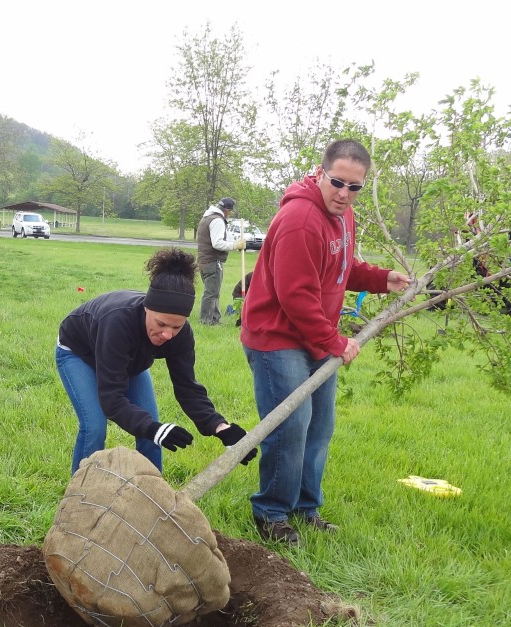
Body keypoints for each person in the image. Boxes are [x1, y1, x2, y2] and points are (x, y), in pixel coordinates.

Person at [240, 139, 411, 544]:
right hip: (276, 337)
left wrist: (380, 279)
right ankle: (271, 513)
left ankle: (304, 507)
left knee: (319, 427)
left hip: (314, 336)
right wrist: (335, 340)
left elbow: (342, 267)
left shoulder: (343, 216)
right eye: (337, 182)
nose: (344, 193)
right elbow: (295, 296)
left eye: (354, 187)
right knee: (292, 425)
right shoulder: (300, 219)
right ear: (320, 173)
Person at [56, 247, 256, 474]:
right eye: (161, 324)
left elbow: (187, 388)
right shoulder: (117, 321)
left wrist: (221, 427)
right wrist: (152, 428)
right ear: (146, 309)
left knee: (151, 429)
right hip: (78, 352)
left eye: (176, 326)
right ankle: (79, 499)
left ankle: (153, 498)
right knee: (95, 427)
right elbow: (111, 399)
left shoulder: (182, 335)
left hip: (130, 360)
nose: (168, 334)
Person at [196, 197, 246, 326]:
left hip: (204, 260)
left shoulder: (207, 217)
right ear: (227, 210)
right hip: (212, 261)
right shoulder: (217, 220)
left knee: (214, 292)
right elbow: (217, 243)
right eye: (230, 212)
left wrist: (235, 243)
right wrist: (235, 246)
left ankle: (215, 319)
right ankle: (206, 321)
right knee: (211, 293)